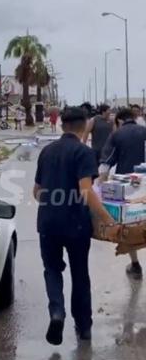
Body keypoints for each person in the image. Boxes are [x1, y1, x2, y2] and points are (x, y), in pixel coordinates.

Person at [34, 107, 118, 345]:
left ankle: (57, 312)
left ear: (62, 125)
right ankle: (84, 327)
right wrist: (108, 220)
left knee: (52, 270)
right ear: (84, 126)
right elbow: (86, 192)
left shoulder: (47, 151)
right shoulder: (83, 152)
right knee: (80, 274)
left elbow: (37, 191)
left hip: (48, 223)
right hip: (76, 225)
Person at [100, 108, 146, 279]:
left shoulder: (118, 135)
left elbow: (106, 163)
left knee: (131, 226)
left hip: (129, 189)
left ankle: (135, 265)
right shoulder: (144, 130)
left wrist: (100, 186)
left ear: (119, 121)